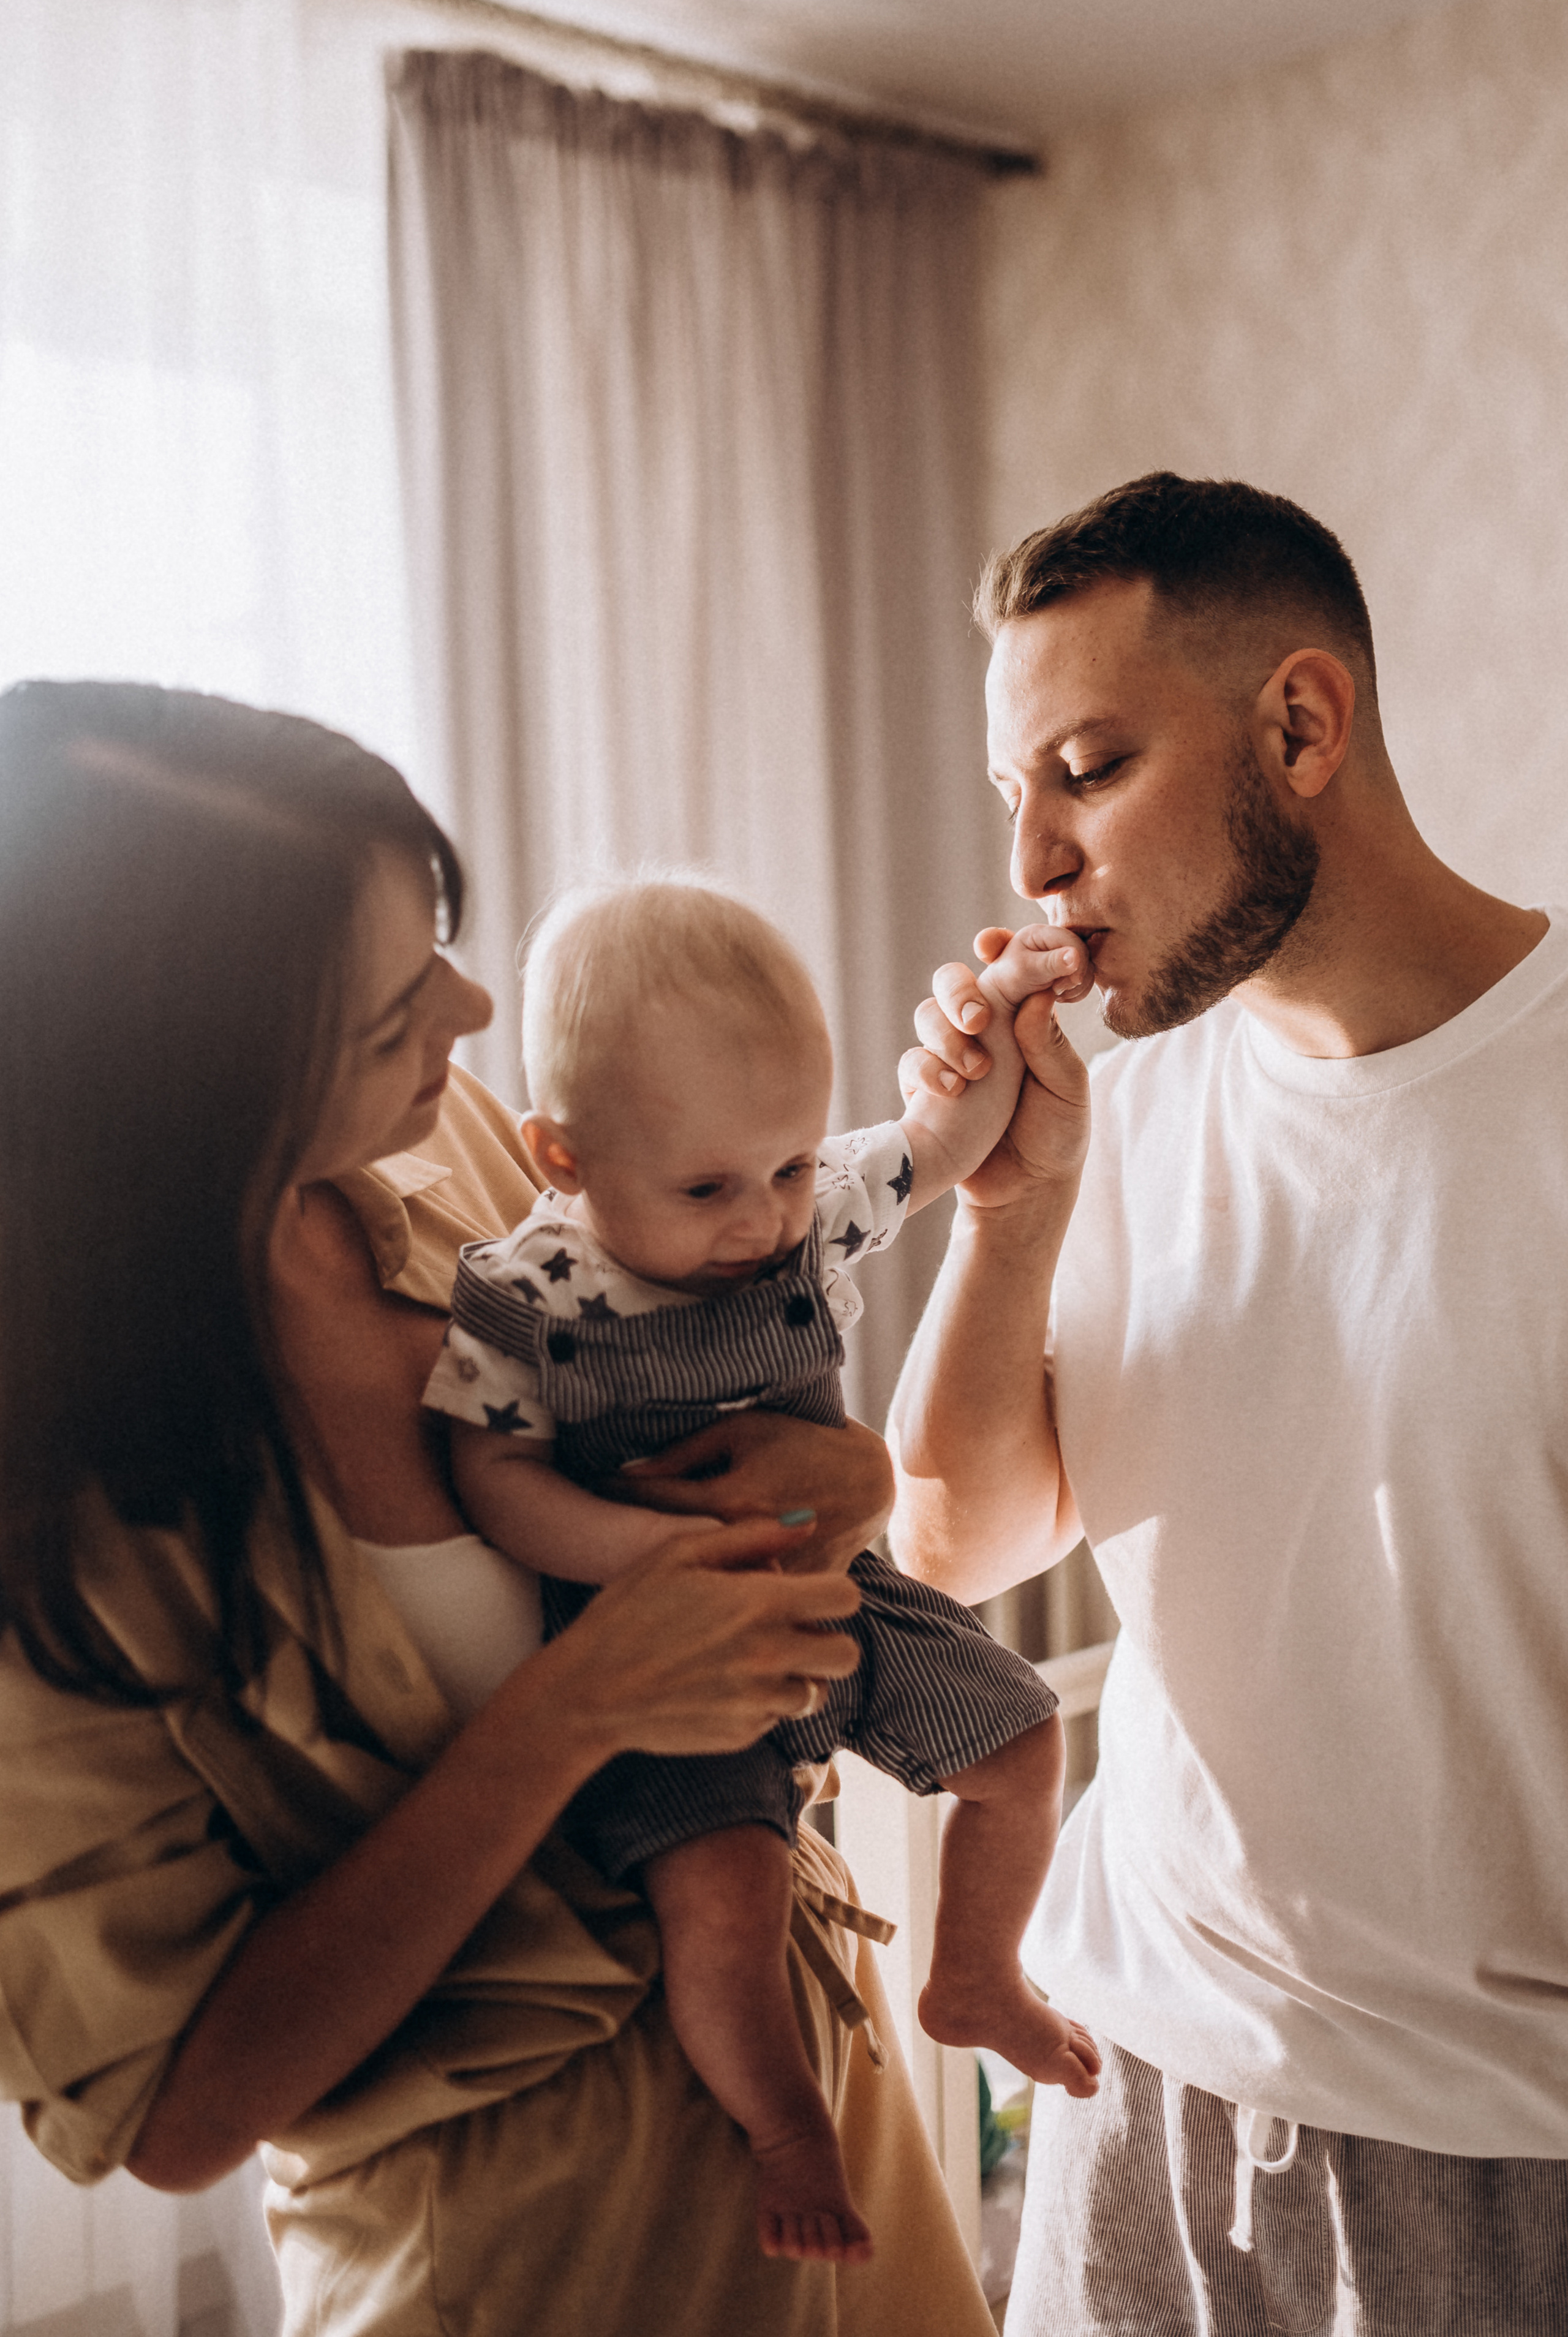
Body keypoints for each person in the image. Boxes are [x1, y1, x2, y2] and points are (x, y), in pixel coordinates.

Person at [0, 680, 1001, 2337]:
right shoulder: (54, 1521)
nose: (470, 1004)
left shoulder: (449, 1148)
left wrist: (844, 1474)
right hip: (522, 2252)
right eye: (396, 1010)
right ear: (186, 1096)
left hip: (822, 2123)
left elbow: (723, 1380)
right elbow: (172, 2114)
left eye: (440, 945)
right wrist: (574, 1714)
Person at [889, 473, 1568, 2335]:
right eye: (1012, 796)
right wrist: (1009, 1209)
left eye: (1087, 772)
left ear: (1299, 724)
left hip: (1497, 2164)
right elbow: (954, 1540)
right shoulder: (1136, 1104)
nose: (1030, 864)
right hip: (1133, 2094)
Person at [421, 875, 1100, 2262]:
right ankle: (788, 2124)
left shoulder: (805, 1208)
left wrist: (1006, 1005)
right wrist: (645, 1546)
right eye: (708, 1188)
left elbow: (937, 1142)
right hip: (666, 1651)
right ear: (563, 1158)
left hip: (839, 1591)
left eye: (788, 1165)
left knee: (1023, 1742)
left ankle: (971, 1974)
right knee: (723, 1899)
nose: (761, 1219)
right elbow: (488, 1476)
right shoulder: (524, 1296)